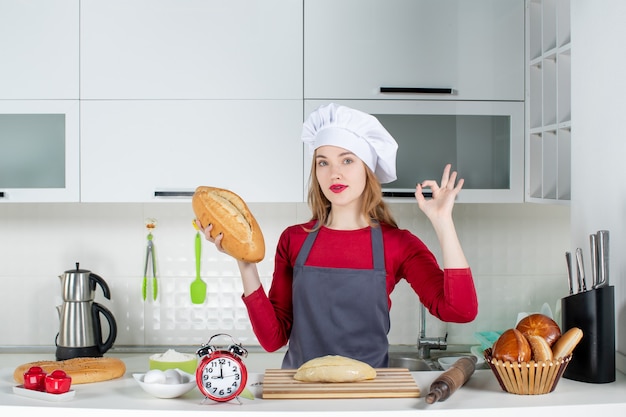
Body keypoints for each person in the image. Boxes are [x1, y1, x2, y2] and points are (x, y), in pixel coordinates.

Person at [196, 103, 478, 369]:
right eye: (323, 163)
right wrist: (244, 262)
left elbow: (461, 311)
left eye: (347, 160)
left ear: (367, 170)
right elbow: (273, 339)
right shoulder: (294, 240)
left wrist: (443, 223)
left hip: (367, 396)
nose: (335, 174)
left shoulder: (398, 244)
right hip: (301, 394)